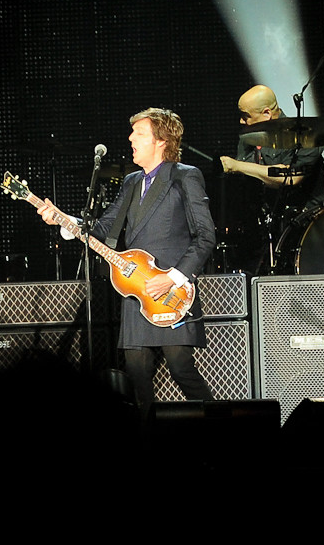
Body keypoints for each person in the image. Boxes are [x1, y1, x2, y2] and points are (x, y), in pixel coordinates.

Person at [37, 107, 217, 422]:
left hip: (171, 290)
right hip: (136, 289)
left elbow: (205, 237)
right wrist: (64, 220)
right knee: (136, 375)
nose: (131, 139)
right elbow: (104, 228)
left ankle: (220, 431)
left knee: (181, 368)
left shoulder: (185, 175)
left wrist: (173, 278)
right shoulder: (132, 181)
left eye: (140, 133)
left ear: (161, 141)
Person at [219, 85, 324, 273]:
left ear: (266, 113)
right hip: (266, 227)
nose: (241, 121)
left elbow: (290, 178)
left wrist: (237, 166)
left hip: (308, 227)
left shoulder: (306, 135)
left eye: (246, 115)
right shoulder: (248, 138)